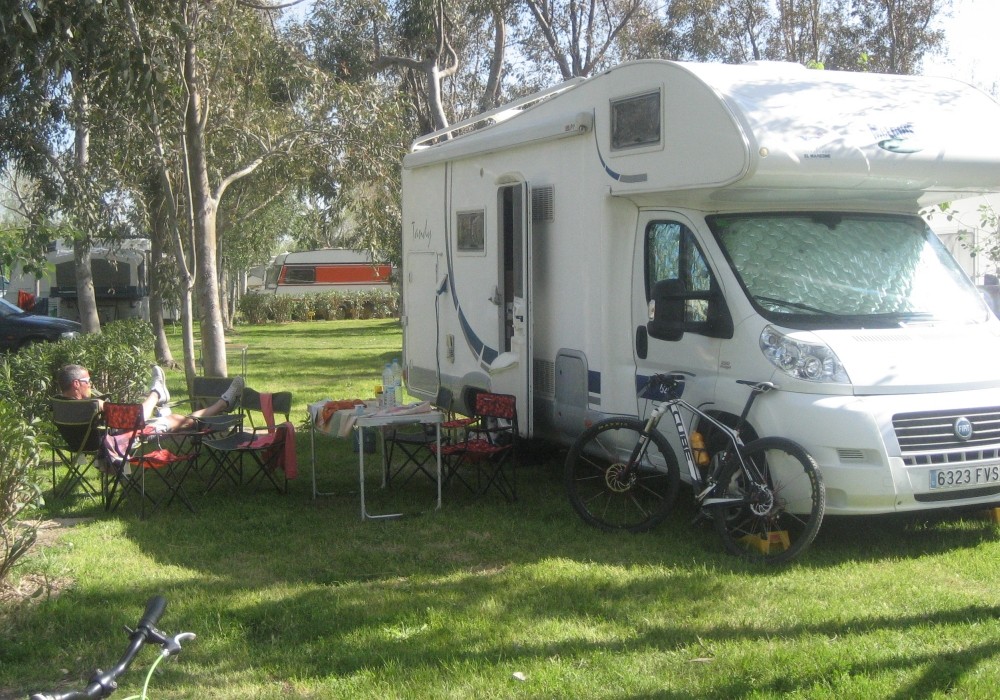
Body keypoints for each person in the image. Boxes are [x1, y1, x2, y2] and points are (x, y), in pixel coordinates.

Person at [56, 363, 243, 432]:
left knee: (177, 418)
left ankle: (223, 403)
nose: (91, 384)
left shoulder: (59, 405)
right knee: (182, 420)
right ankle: (157, 392)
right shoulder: (93, 405)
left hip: (92, 444)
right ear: (76, 384)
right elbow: (135, 418)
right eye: (87, 381)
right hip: (126, 438)